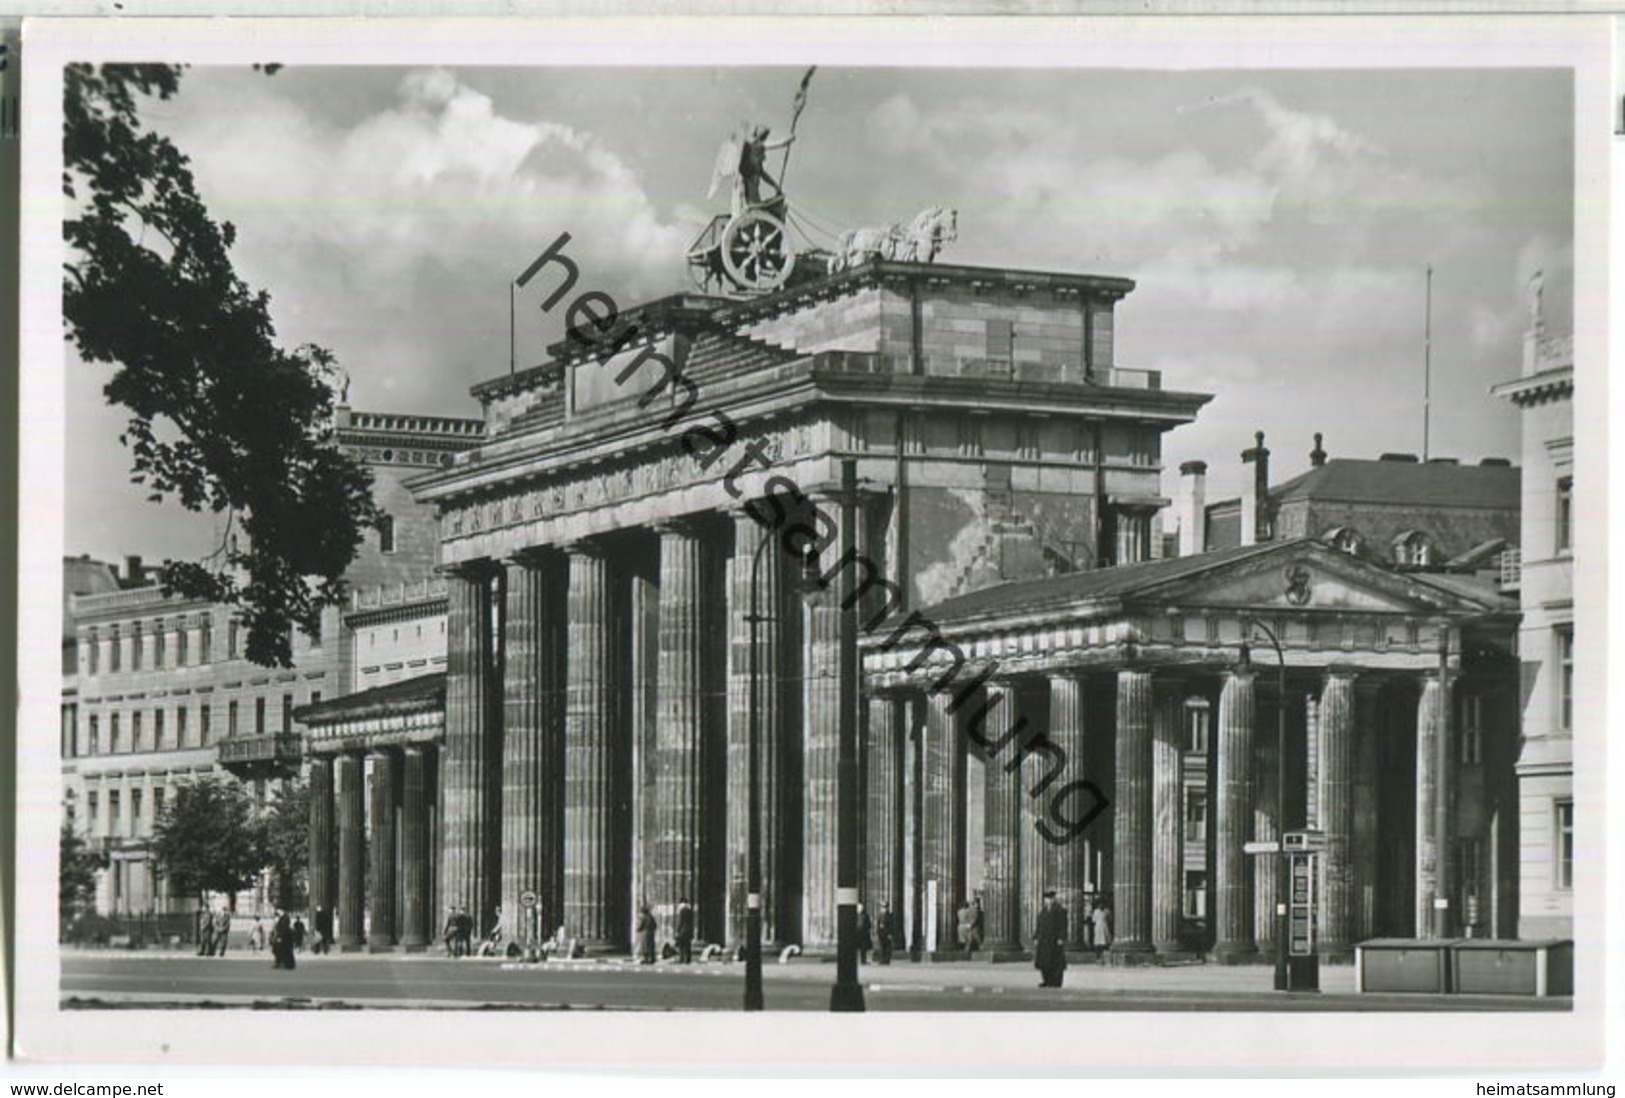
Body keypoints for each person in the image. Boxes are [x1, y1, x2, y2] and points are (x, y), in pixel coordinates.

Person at [1034, 890, 1069, 988]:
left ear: (1054, 899)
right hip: (1044, 940)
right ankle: (1046, 980)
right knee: (1044, 962)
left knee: (1056, 962)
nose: (1048, 900)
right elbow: (1039, 925)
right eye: (1046, 899)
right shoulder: (1043, 911)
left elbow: (1063, 925)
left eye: (1050, 898)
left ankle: (1056, 981)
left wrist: (1061, 937)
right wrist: (1036, 937)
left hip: (1054, 940)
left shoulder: (1060, 910)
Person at [674, 897, 695, 965]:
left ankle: (682, 958)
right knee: (687, 945)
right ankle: (688, 958)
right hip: (689, 930)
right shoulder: (690, 910)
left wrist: (677, 930)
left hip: (683, 930)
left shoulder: (681, 910)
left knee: (681, 945)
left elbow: (680, 921)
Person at [875, 901, 896, 965]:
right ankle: (881, 959)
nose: (883, 909)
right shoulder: (880, 915)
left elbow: (892, 925)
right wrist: (877, 932)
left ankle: (886, 960)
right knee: (881, 947)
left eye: (885, 907)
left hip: (887, 933)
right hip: (881, 933)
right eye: (882, 907)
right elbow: (878, 924)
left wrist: (890, 933)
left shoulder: (890, 915)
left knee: (887, 947)